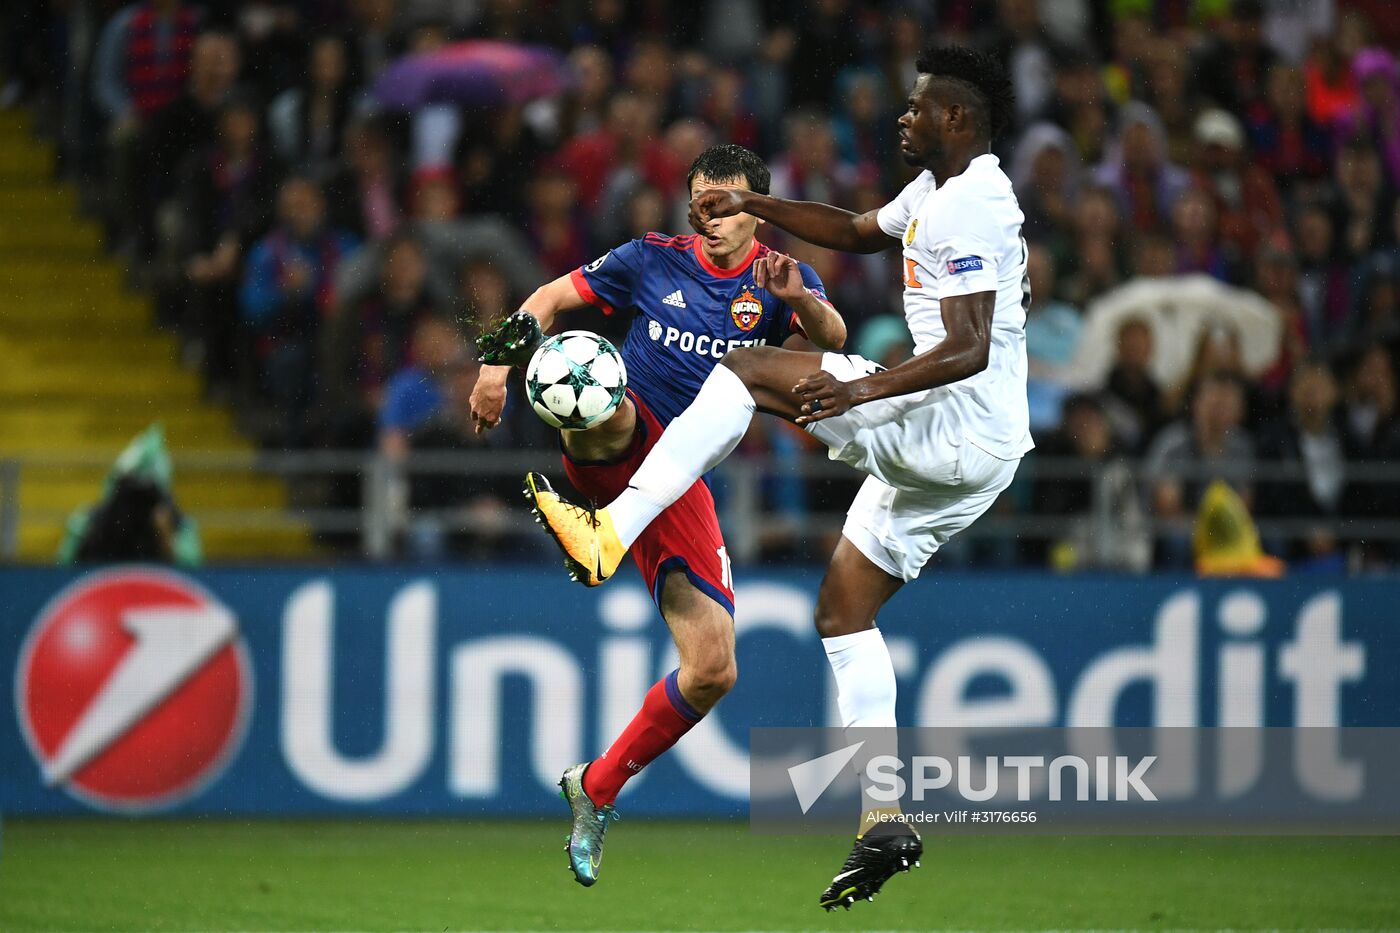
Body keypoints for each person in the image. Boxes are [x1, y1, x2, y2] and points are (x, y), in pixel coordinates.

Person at [524, 46, 1027, 910]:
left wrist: (860, 387)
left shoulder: (973, 202)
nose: (903, 117)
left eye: (918, 107)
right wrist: (758, 203)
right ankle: (883, 816)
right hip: (982, 456)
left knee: (749, 371)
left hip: (951, 425)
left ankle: (610, 531)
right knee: (843, 610)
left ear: (958, 118)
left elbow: (970, 346)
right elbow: (856, 228)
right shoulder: (936, 190)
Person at [469, 144, 844, 887]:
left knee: (713, 669)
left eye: (726, 203)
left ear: (757, 209)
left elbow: (832, 340)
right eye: (700, 202)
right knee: (594, 379)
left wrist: (799, 299)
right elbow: (549, 296)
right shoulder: (651, 259)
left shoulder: (780, 279)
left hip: (678, 482)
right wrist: (494, 366)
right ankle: (593, 516)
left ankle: (596, 786)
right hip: (621, 437)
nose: (711, 216)